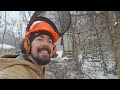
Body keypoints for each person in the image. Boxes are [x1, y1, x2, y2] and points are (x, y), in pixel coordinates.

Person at [0, 11, 71, 79]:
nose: (45, 44)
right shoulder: (14, 74)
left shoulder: (42, 74)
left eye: (49, 41)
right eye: (40, 39)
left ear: (53, 49)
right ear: (27, 44)